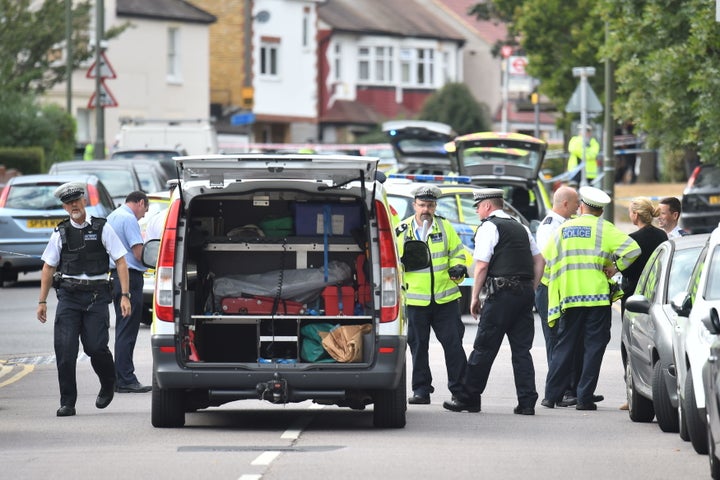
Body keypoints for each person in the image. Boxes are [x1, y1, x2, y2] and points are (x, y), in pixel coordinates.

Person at [443, 188, 544, 415]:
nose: (477, 211)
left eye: (478, 207)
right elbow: (540, 261)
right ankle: (527, 402)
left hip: (501, 295)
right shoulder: (522, 228)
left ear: (488, 206)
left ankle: (469, 398)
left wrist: (474, 297)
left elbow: (481, 266)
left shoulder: (489, 226)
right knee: (521, 351)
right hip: (524, 295)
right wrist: (531, 287)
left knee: (484, 348)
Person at [36, 182, 131, 417]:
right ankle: (67, 402)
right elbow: (48, 267)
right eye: (69, 203)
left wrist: (125, 295)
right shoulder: (60, 233)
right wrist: (42, 301)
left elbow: (120, 260)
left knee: (96, 347)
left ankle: (108, 383)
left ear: (84, 201)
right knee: (65, 352)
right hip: (69, 297)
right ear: (65, 207)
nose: (74, 205)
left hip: (96, 297)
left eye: (77, 200)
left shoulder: (102, 228)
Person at [541, 186, 640, 411]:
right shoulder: (605, 229)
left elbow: (548, 257)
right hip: (597, 297)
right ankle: (584, 398)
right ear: (601, 211)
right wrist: (615, 267)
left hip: (569, 297)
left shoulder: (564, 228)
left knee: (564, 345)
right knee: (593, 347)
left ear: (582, 206)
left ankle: (550, 396)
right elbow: (633, 250)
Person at [396, 185, 469, 405]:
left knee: (454, 346)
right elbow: (394, 262)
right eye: (422, 205)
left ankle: (460, 391)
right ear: (414, 205)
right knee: (418, 347)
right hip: (416, 300)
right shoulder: (401, 230)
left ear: (435, 206)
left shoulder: (445, 227)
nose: (426, 209)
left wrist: (458, 267)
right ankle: (421, 390)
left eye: (430, 205)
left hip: (445, 299)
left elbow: (458, 254)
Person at [616, 197, 667, 410]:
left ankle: (634, 395)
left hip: (634, 295)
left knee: (630, 344)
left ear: (635, 215)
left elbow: (626, 269)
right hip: (657, 293)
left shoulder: (632, 239)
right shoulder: (662, 235)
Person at [107, 191, 151, 393]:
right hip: (130, 279)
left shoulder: (112, 216)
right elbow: (138, 253)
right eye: (145, 211)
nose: (143, 216)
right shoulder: (129, 219)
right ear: (140, 202)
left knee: (122, 329)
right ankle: (126, 378)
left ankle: (120, 377)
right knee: (128, 330)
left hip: (114, 277)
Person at [535, 186, 580, 363]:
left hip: (561, 289)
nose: (578, 206)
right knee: (554, 339)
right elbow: (551, 258)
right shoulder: (550, 226)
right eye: (576, 203)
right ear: (566, 203)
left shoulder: (566, 223)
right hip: (549, 290)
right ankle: (557, 387)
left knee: (566, 339)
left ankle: (567, 386)